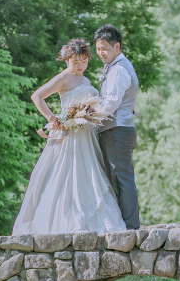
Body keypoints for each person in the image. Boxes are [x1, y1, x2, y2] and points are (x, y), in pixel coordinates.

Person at [12, 39, 126, 235]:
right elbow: (37, 96)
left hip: (87, 134)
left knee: (90, 173)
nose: (80, 65)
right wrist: (52, 118)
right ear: (66, 60)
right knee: (68, 174)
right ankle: (66, 220)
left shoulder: (86, 80)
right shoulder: (64, 78)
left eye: (83, 61)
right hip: (71, 136)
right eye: (75, 62)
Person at [94, 24, 140, 230]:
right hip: (116, 129)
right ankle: (124, 224)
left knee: (122, 177)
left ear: (117, 46)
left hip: (118, 130)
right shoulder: (115, 67)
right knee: (117, 176)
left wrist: (90, 117)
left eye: (105, 48)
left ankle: (130, 226)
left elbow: (112, 102)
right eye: (98, 49)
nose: (100, 53)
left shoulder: (120, 69)